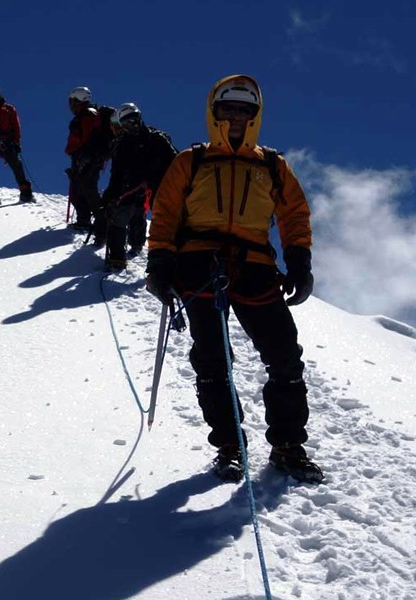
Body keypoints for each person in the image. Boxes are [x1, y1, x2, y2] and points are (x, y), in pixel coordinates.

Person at [143, 74, 323, 484]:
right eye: (230, 108)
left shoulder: (272, 164)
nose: (238, 116)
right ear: (215, 112)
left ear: (256, 116)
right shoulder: (191, 161)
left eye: (246, 109)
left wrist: (300, 262)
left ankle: (288, 445)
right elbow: (167, 213)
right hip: (198, 264)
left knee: (284, 357)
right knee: (212, 358)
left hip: (255, 265)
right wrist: (160, 263)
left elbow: (294, 215)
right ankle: (230, 447)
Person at [100, 103, 176, 271]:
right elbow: (117, 175)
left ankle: (153, 253)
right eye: (127, 123)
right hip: (131, 187)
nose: (132, 125)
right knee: (121, 216)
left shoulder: (157, 139)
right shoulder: (122, 146)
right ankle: (117, 258)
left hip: (158, 186)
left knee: (161, 222)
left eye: (133, 120)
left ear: (140, 118)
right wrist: (110, 197)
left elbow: (175, 162)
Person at [64, 87, 113, 235]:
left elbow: (91, 138)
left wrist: (85, 156)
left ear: (78, 100)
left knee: (86, 189)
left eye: (72, 101)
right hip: (87, 158)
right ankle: (85, 220)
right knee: (81, 189)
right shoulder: (87, 115)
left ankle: (100, 223)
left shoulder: (87, 115)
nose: (70, 105)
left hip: (87, 158)